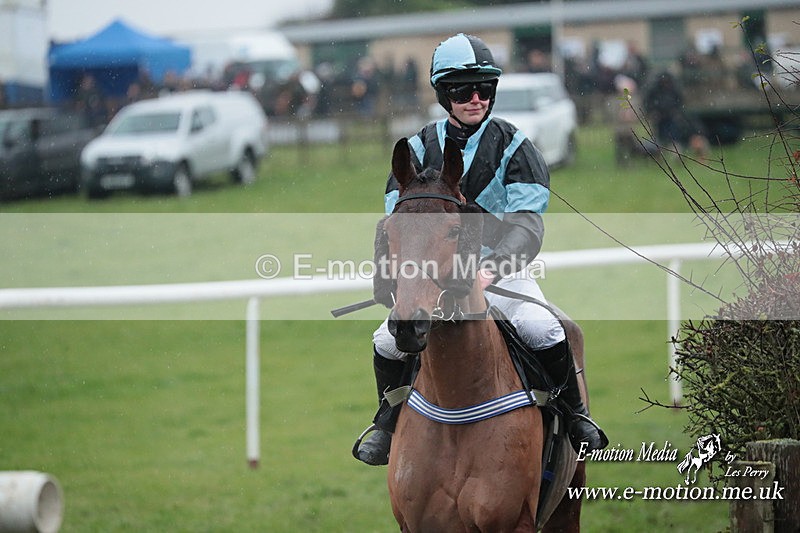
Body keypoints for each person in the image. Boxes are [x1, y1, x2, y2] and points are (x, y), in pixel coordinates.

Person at [356, 33, 608, 466]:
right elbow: (400, 225)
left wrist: (490, 269)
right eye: (463, 90)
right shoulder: (415, 149)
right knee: (386, 340)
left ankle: (575, 417)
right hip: (432, 279)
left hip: (501, 272)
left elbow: (528, 225)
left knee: (544, 329)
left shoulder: (515, 146)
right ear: (443, 94)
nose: (476, 98)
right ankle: (388, 418)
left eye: (484, 89)